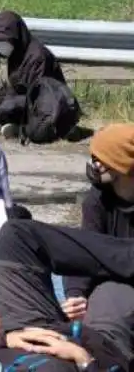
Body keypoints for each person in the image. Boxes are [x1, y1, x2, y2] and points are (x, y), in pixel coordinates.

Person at [0, 220, 134, 372]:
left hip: (30, 335)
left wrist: (5, 340)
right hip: (98, 350)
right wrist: (84, 361)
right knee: (113, 287)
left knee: (16, 237)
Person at [62, 124, 134, 321]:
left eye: (101, 160)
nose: (95, 166)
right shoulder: (97, 201)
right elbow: (85, 251)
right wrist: (76, 295)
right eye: (93, 159)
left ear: (123, 164)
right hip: (109, 286)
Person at [0, 10, 67, 138]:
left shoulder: (38, 58)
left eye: (4, 39)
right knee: (2, 110)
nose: (0, 43)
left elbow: (40, 99)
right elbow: (18, 90)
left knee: (8, 106)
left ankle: (23, 130)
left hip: (51, 108)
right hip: (29, 104)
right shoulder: (16, 55)